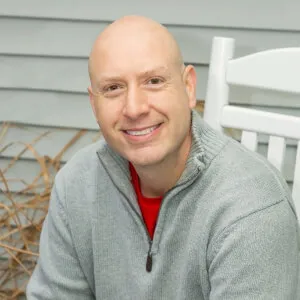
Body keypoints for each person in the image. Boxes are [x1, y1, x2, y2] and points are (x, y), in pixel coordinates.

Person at [26, 15, 299, 299]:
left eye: (154, 81)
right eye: (113, 88)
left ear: (189, 88)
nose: (134, 108)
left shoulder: (252, 208)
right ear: (94, 104)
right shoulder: (77, 186)